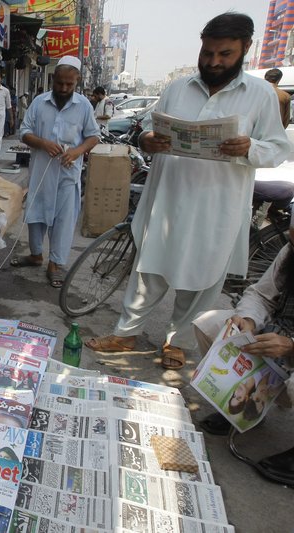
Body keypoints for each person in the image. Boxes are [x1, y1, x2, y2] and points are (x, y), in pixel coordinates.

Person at [85, 13, 290, 369]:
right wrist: (150, 139)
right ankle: (125, 333)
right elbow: (147, 132)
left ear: (245, 49)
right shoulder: (178, 88)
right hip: (167, 198)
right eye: (208, 52)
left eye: (224, 54)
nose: (213, 62)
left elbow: (277, 148)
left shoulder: (260, 95)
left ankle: (175, 343)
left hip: (218, 207)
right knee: (148, 272)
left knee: (203, 280)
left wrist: (249, 148)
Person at [189, 222, 294, 483]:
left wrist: (291, 345)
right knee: (211, 324)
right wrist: (247, 319)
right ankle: (246, 412)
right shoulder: (290, 250)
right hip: (276, 335)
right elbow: (261, 294)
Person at [10, 55, 100, 288]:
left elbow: (93, 136)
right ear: (53, 80)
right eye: (59, 83)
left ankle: (55, 264)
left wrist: (78, 151)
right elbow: (24, 131)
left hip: (67, 175)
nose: (63, 88)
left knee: (64, 219)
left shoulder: (83, 106)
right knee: (36, 214)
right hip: (41, 171)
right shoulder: (39, 102)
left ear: (77, 82)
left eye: (69, 84)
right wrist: (43, 143)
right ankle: (36, 255)